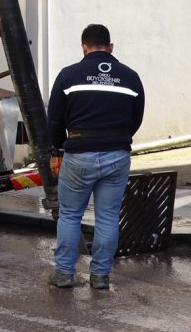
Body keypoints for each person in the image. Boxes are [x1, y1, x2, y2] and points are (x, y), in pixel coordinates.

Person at [46, 24, 144, 291]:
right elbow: (136, 118)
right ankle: (100, 276)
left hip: (79, 153)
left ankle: (64, 274)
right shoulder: (130, 77)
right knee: (108, 217)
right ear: (110, 47)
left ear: (84, 48)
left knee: (70, 215)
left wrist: (57, 151)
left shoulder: (68, 75)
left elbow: (54, 120)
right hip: (117, 155)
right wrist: (117, 138)